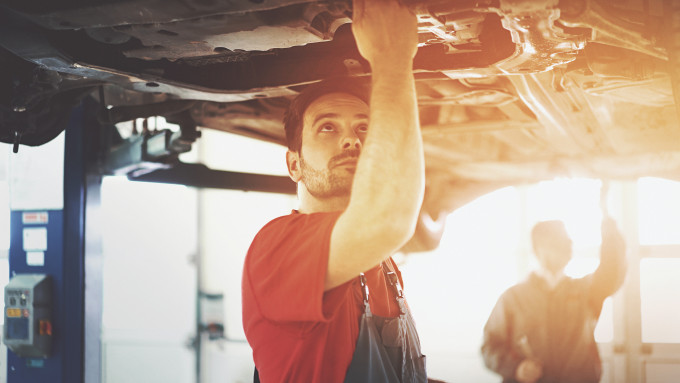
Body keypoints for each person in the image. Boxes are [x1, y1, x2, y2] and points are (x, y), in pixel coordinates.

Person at [241, 0, 434, 382]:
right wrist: (392, 56)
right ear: (293, 164)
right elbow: (387, 219)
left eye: (364, 129)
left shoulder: (384, 266)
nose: (352, 141)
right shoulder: (277, 249)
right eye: (328, 128)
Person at [481, 218, 627, 383]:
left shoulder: (585, 291)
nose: (568, 245)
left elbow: (612, 271)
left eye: (568, 240)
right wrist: (516, 368)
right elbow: (490, 346)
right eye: (559, 241)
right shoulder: (513, 298)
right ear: (539, 249)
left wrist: (608, 224)